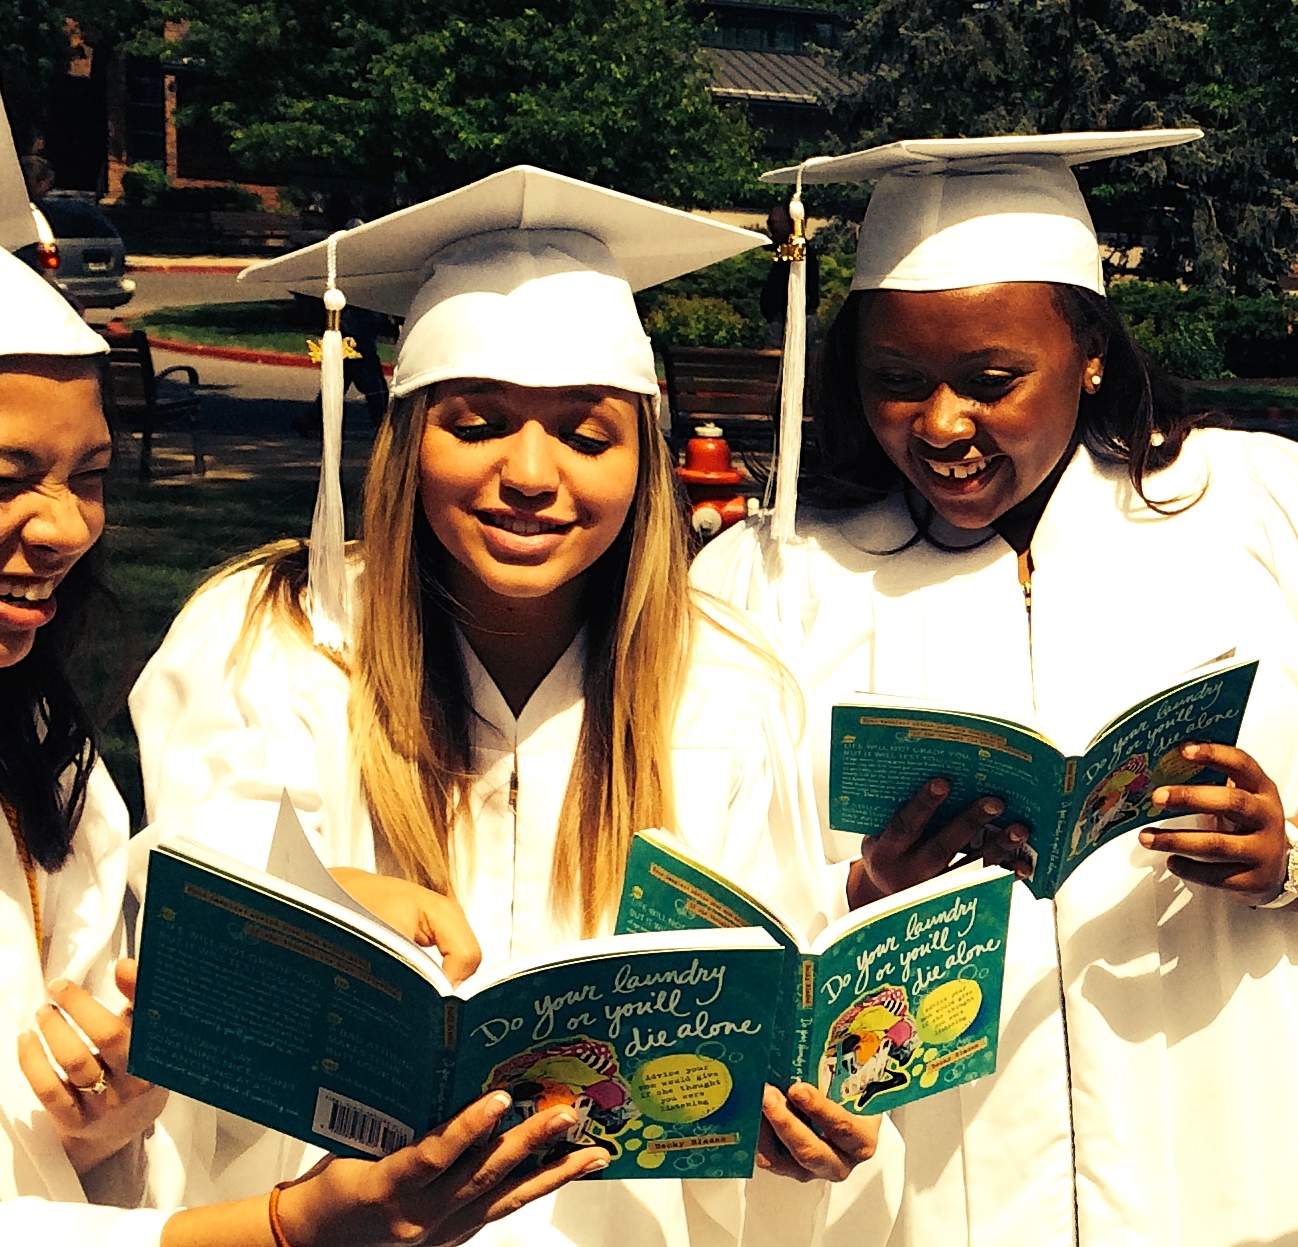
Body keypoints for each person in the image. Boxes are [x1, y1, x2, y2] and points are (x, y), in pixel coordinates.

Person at [0, 54, 604, 1247]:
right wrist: (287, 1230)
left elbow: (63, 1116)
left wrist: (115, 1086)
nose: (68, 529)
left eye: (87, 476)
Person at [693, 130, 1298, 1247]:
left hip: (1253, 1153)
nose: (941, 425)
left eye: (993, 381)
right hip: (932, 1179)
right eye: (896, 382)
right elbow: (709, 888)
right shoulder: (780, 581)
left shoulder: (1265, 516)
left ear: (1089, 349)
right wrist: (861, 885)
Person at [128, 165, 871, 1245]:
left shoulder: (726, 688)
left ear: (646, 461)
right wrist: (319, 897)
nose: (532, 473)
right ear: (406, 439)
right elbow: (165, 920)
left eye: (586, 433)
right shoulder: (275, 640)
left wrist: (795, 1121)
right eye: (476, 424)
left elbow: (780, 978)